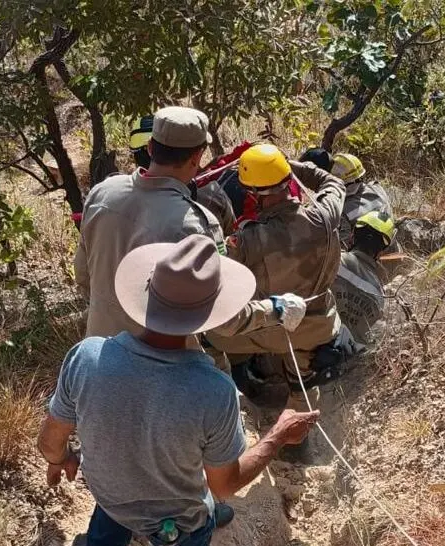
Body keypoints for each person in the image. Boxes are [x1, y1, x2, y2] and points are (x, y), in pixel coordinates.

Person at [38, 235, 319, 546]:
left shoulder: (87, 356)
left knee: (107, 527)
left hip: (110, 494)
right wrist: (277, 436)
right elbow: (224, 485)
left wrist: (61, 458)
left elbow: (49, 443)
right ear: (209, 315)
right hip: (176, 518)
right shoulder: (212, 391)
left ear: (147, 294)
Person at [205, 144, 346, 416]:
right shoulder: (324, 215)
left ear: (253, 193)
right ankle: (301, 418)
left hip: (271, 328)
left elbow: (214, 270)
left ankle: (230, 398)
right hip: (318, 326)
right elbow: (333, 183)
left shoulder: (247, 240)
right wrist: (290, 166)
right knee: (303, 385)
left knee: (209, 336)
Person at [75, 106, 224, 338]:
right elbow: (221, 316)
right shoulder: (196, 225)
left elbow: (83, 275)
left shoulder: (102, 192)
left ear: (150, 147)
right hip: (164, 357)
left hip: (100, 349)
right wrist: (274, 310)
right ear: (197, 157)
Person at [129, 115, 237, 235]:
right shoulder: (211, 198)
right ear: (195, 157)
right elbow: (232, 239)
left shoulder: (115, 190)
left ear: (151, 148)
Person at [332, 210, 395, 344]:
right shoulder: (379, 295)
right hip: (344, 354)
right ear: (381, 252)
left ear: (352, 236)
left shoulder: (332, 261)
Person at [330, 152, 394, 250]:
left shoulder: (344, 211)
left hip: (367, 255)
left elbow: (341, 249)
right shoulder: (377, 188)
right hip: (391, 245)